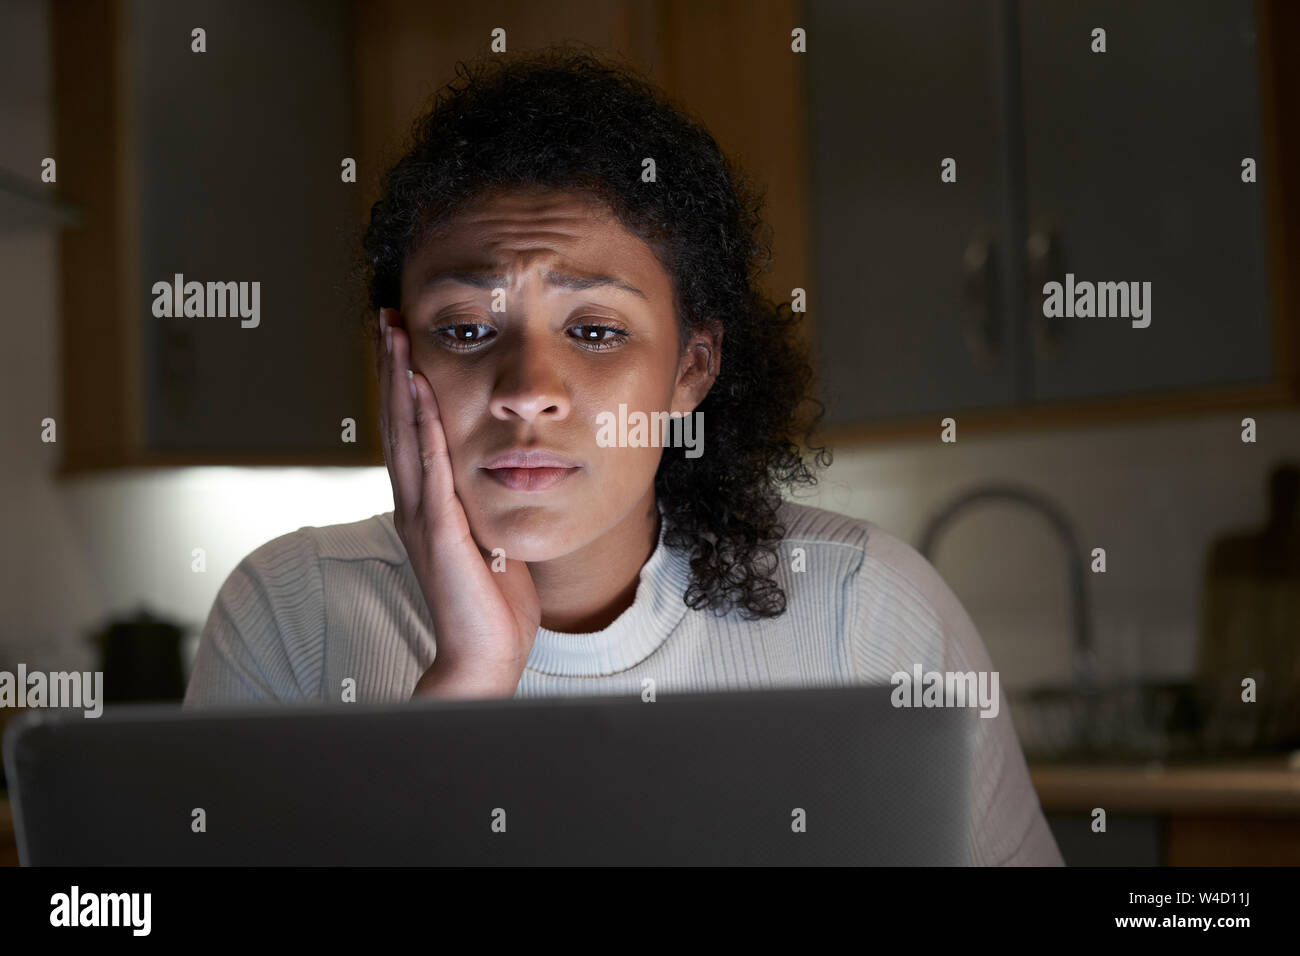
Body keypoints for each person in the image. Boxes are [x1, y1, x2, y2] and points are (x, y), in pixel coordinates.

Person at [183, 47, 1063, 866]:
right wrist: (470, 679)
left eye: (596, 331)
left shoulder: (862, 612)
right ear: (397, 353)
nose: (528, 388)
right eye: (465, 329)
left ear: (690, 371)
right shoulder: (292, 616)